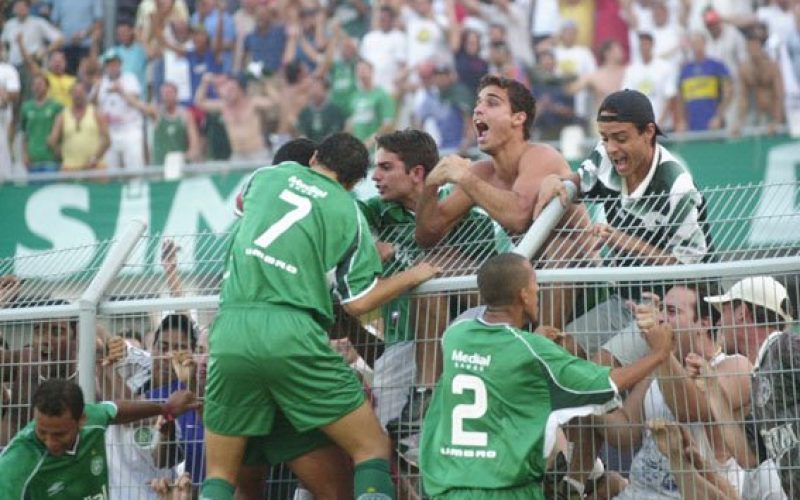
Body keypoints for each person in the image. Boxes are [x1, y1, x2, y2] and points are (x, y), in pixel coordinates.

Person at [200, 133, 440, 500]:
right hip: (291, 334)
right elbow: (358, 302)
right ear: (354, 182)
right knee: (372, 446)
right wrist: (414, 274)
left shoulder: (267, 177)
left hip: (229, 331)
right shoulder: (347, 210)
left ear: (314, 157)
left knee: (220, 475)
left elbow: (243, 209)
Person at [419, 252, 675, 499]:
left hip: (449, 486)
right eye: (535, 287)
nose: (538, 293)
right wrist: (659, 353)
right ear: (523, 295)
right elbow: (608, 382)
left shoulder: (456, 335)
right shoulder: (532, 350)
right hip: (505, 489)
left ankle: (575, 484)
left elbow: (498, 361)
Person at [536, 88, 710, 356]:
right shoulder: (605, 155)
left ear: (648, 132)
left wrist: (620, 239)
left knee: (601, 365)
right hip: (623, 300)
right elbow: (579, 182)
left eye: (620, 138)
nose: (611, 149)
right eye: (605, 138)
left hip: (670, 309)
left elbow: (687, 267)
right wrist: (556, 181)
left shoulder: (677, 187)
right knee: (562, 350)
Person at [415, 74, 591, 330]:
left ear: (518, 118)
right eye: (478, 103)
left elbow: (518, 217)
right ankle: (433, 371)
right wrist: (430, 187)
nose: (478, 109)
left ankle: (544, 352)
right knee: (436, 263)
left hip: (584, 287)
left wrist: (463, 177)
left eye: (492, 102)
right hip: (524, 285)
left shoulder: (542, 156)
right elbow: (427, 235)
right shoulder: (481, 172)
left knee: (561, 247)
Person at [0, 378, 198, 498]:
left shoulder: (93, 419)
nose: (50, 442)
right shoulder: (18, 459)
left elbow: (115, 410)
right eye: (41, 431)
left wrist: (165, 410)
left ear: (81, 420)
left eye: (59, 434)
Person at [48, 81, 110, 171]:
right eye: (75, 93)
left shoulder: (96, 113)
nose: (78, 96)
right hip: (70, 168)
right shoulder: (62, 116)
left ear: (85, 94)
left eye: (81, 92)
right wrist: (65, 157)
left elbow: (107, 140)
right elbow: (52, 142)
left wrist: (95, 158)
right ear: (70, 95)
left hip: (96, 168)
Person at [20, 73, 62, 173]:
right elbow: (25, 134)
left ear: (47, 87)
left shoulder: (56, 106)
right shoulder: (26, 107)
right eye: (35, 85)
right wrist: (25, 154)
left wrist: (59, 150)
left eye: (40, 84)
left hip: (51, 159)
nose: (37, 87)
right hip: (33, 160)